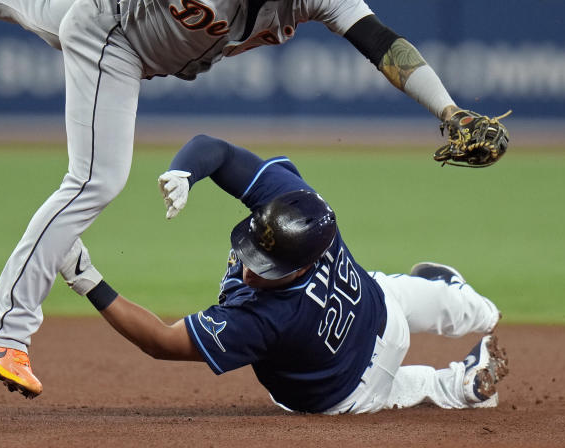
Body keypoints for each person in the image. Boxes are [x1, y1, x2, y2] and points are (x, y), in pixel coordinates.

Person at [0, 0, 493, 398]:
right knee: (94, 180)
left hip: (132, 26)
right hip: (116, 37)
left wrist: (448, 110)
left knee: (48, 10)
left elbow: (381, 42)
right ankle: (3, 331)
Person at [60, 134, 508, 414]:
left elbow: (161, 341)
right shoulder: (304, 208)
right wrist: (183, 171)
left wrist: (88, 280)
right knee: (424, 296)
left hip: (344, 395)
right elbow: (215, 150)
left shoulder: (264, 320)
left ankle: (458, 384)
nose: (252, 273)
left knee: (408, 386)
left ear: (304, 264)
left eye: (267, 268)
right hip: (378, 308)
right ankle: (474, 310)